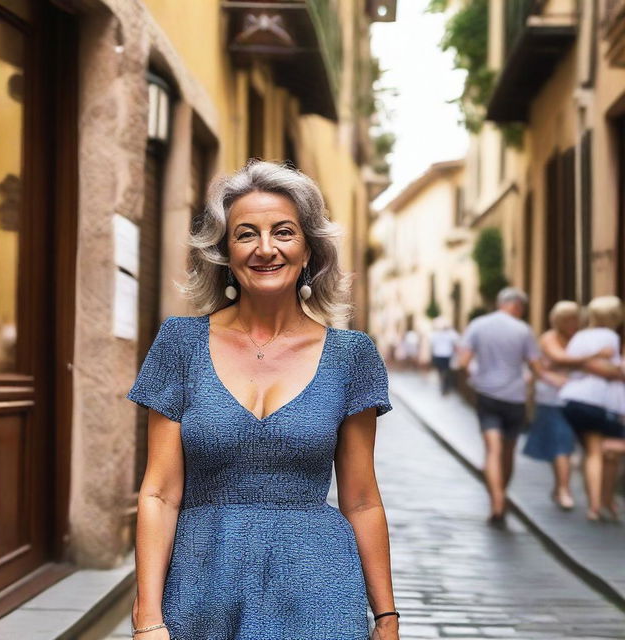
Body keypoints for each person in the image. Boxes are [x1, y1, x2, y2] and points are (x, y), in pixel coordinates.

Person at [126, 161, 400, 640]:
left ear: (309, 249)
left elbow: (360, 499)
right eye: (246, 234)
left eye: (284, 232)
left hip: (318, 592)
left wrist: (386, 618)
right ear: (225, 251)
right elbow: (159, 493)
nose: (265, 249)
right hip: (200, 588)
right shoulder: (180, 344)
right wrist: (148, 615)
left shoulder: (351, 355)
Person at [457, 288, 546, 527]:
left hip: (487, 395)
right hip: (515, 398)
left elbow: (463, 362)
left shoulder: (478, 324)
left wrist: (475, 378)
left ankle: (496, 501)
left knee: (492, 451)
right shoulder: (523, 330)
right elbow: (536, 368)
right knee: (508, 452)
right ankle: (501, 496)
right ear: (518, 306)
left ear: (500, 303)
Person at [522, 301, 615, 510]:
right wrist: (596, 356)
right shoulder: (549, 338)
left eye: (575, 318)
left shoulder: (581, 338)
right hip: (552, 399)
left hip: (579, 399)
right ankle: (564, 489)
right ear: (557, 321)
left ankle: (575, 492)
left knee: (582, 447)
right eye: (567, 319)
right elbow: (561, 359)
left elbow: (585, 365)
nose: (572, 323)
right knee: (561, 443)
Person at [559, 296, 625, 521]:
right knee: (602, 453)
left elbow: (571, 366)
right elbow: (612, 371)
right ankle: (601, 503)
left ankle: (598, 504)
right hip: (600, 401)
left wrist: (588, 364)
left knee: (594, 452)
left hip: (573, 398)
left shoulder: (579, 336)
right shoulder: (610, 337)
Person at [429, 317, 460, 394]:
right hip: (445, 355)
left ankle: (443, 385)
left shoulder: (436, 334)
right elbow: (457, 340)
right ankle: (444, 386)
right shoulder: (450, 334)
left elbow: (431, 343)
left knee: (442, 371)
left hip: (440, 355)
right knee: (444, 371)